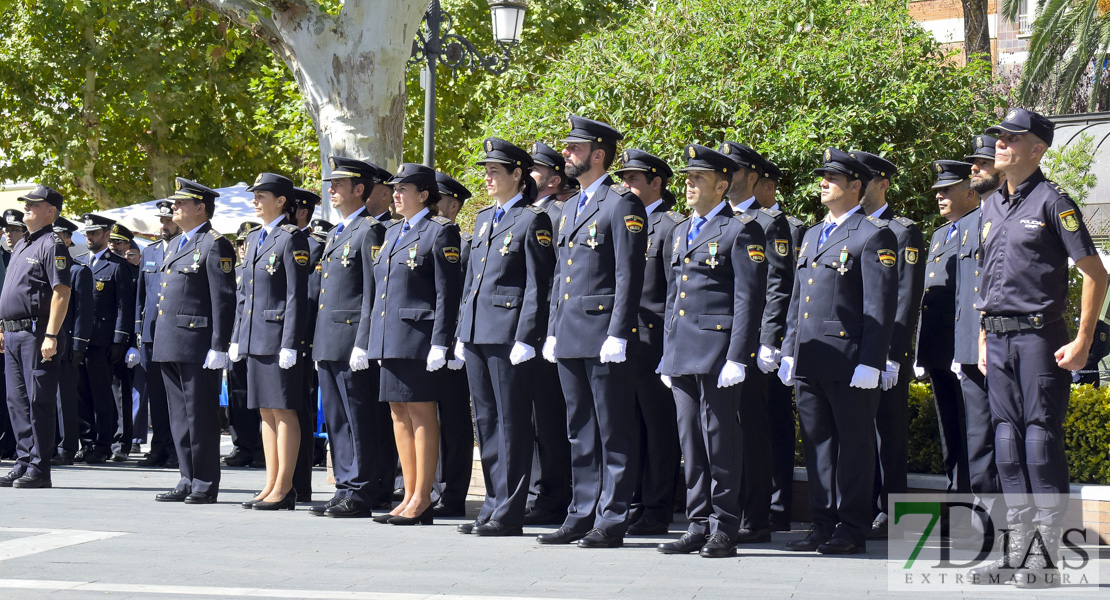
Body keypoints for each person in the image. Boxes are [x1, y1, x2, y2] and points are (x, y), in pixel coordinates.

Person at [968, 109, 1107, 588]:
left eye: (1012, 138)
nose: (1000, 144)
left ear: (1037, 148)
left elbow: (1095, 273)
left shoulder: (1054, 202)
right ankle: (1014, 551)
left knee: (1038, 439)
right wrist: (984, 337)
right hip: (1000, 339)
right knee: (1005, 441)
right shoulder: (989, 207)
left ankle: (1045, 556)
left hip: (1038, 337)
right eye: (1000, 137)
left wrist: (1083, 339)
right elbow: (988, 281)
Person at [778, 148, 898, 555]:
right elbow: (798, 297)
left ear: (855, 186)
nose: (824, 182)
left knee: (855, 446)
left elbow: (880, 306)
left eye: (833, 176)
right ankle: (822, 522)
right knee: (817, 445)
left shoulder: (872, 234)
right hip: (811, 357)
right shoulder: (813, 235)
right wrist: (789, 348)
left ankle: (851, 527)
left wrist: (871, 360)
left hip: (849, 360)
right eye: (823, 175)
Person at [539, 115, 647, 549]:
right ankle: (581, 512)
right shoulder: (568, 207)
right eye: (567, 148)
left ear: (598, 155)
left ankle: (612, 517)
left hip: (604, 334)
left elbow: (628, 274)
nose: (566, 154)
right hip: (569, 331)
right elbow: (560, 277)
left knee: (613, 429)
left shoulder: (622, 203)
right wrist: (551, 329)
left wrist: (618, 332)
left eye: (575, 148)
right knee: (579, 428)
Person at [656, 144, 767, 558]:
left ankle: (724, 526)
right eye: (687, 177)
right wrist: (668, 353)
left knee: (720, 441)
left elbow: (748, 299)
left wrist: (738, 356)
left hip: (718, 352)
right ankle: (698, 522)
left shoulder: (741, 230)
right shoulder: (681, 230)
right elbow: (673, 298)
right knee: (691, 443)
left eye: (698, 178)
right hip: (683, 350)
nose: (688, 183)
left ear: (722, 185)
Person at [454, 139, 554, 536]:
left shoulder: (533, 220)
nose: (488, 177)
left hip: (509, 334)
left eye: (496, 171)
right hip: (478, 330)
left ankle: (510, 511)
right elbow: (472, 282)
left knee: (512, 423)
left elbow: (537, 284)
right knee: (488, 422)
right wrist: (463, 329)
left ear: (518, 175)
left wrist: (527, 335)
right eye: (487, 170)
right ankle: (492, 505)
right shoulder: (482, 220)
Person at [365, 162, 462, 525]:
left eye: (404, 189)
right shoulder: (391, 233)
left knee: (421, 413)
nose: (397, 194)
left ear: (424, 195)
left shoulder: (440, 232)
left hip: (419, 338)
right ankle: (408, 492)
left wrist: (442, 342)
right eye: (395, 189)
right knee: (398, 413)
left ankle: (423, 497)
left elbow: (446, 293)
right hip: (390, 337)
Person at [309, 156, 392, 518]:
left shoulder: (370, 230)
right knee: (338, 418)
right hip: (328, 337)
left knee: (360, 418)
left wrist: (364, 340)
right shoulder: (337, 231)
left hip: (350, 338)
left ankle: (362, 489)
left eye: (339, 185)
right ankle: (345, 484)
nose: (332, 190)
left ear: (359, 189)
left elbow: (371, 293)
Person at [719, 141, 794, 543]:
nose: (726, 176)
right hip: (715, 339)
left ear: (751, 176)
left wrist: (769, 339)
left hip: (749, 342)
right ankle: (725, 511)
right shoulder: (715, 222)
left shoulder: (769, 223)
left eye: (732, 169)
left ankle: (757, 517)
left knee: (752, 429)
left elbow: (777, 286)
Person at [850, 150, 926, 540]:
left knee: (888, 432)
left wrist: (894, 355)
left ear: (883, 184)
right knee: (856, 434)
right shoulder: (848, 229)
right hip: (851, 351)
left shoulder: (902, 231)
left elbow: (905, 299)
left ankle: (890, 510)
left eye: (867, 181)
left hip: (886, 353)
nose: (859, 188)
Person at [151, 178, 237, 504]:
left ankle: (204, 482)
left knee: (199, 417)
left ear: (200, 207)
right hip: (171, 341)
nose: (174, 207)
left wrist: (219, 346)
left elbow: (223, 299)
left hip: (198, 344)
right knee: (179, 418)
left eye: (181, 203)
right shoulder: (174, 245)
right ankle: (186, 478)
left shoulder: (215, 244)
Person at [230, 173, 311, 511]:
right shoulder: (255, 238)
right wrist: (236, 336)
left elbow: (297, 295)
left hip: (278, 338)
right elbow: (244, 295)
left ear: (281, 201)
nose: (256, 200)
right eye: (256, 195)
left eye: (263, 195)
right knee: (265, 412)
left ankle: (285, 486)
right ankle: (270, 482)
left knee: (284, 411)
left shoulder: (290, 238)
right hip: (254, 337)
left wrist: (290, 342)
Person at [613, 148, 683, 536]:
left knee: (659, 430)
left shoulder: (670, 226)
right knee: (629, 427)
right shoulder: (622, 220)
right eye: (623, 179)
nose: (625, 186)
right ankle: (635, 502)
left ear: (656, 183)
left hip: (654, 340)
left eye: (633, 179)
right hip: (624, 340)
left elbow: (674, 294)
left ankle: (657, 508)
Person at [0, 185, 71, 489]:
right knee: (17, 401)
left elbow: (61, 292)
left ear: (50, 211)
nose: (26, 207)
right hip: (14, 333)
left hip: (37, 332)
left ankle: (40, 467)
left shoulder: (52, 243)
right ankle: (24, 460)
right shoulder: (21, 245)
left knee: (38, 400)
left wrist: (52, 334)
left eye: (33, 204)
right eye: (26, 203)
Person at [914, 160, 978, 499]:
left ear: (969, 192)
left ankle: (973, 502)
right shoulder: (941, 234)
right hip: (939, 348)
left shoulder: (979, 224)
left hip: (964, 346)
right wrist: (922, 348)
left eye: (947, 190)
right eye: (938, 191)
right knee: (949, 428)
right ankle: (957, 498)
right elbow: (931, 294)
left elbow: (971, 292)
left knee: (973, 431)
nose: (940, 196)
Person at [753, 154, 805, 531]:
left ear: (769, 186)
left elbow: (788, 290)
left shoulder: (790, 228)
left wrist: (779, 342)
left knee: (774, 422)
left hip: (773, 340)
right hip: (742, 341)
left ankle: (778, 503)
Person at [954, 135, 1004, 527]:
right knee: (978, 438)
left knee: (1013, 433)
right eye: (974, 163)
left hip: (1007, 343)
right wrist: (960, 346)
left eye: (983, 162)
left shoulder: (1018, 213)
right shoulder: (968, 224)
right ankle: (985, 516)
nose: (975, 168)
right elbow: (962, 290)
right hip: (972, 346)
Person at [523, 141, 573, 526]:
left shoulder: (559, 212)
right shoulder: (525, 214)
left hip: (545, 329)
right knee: (530, 419)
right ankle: (537, 491)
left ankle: (553, 495)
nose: (527, 174)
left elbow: (554, 277)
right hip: (522, 331)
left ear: (554, 180)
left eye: (535, 169)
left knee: (549, 419)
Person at [75, 213, 135, 465]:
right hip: (79, 339)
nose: (89, 237)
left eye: (95, 233)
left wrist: (120, 340)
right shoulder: (78, 263)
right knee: (81, 394)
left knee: (102, 395)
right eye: (87, 233)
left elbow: (124, 306)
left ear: (106, 234)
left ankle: (103, 444)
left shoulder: (117, 266)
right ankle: (86, 442)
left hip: (103, 340)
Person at [432, 170, 473, 519]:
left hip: (454, 345)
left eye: (438, 197)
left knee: (455, 422)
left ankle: (454, 494)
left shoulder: (467, 242)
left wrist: (457, 339)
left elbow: (461, 297)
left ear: (453, 204)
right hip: (426, 342)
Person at [135, 201, 181, 468]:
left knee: (175, 396)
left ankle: (176, 448)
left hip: (173, 333)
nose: (164, 225)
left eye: (168, 220)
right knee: (156, 395)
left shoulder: (185, 248)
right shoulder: (150, 252)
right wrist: (137, 333)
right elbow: (142, 297)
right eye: (161, 221)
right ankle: (159, 447)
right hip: (151, 334)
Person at [51, 217, 93, 466]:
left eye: (59, 235)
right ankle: (49, 444)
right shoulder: (45, 267)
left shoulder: (78, 270)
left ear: (68, 239)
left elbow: (83, 313)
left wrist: (78, 344)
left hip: (67, 344)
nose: (54, 240)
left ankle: (67, 447)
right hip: (45, 341)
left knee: (65, 398)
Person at [292, 186, 323, 502]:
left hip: (306, 341)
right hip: (285, 340)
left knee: (300, 410)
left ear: (301, 212)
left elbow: (310, 298)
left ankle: (300, 483)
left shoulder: (314, 247)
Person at [224, 221, 263, 469]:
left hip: (258, 339)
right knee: (237, 397)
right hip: (234, 340)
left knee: (260, 398)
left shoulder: (260, 270)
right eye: (239, 243)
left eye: (246, 243)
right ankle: (242, 445)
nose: (242, 247)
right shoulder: (233, 272)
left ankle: (259, 448)